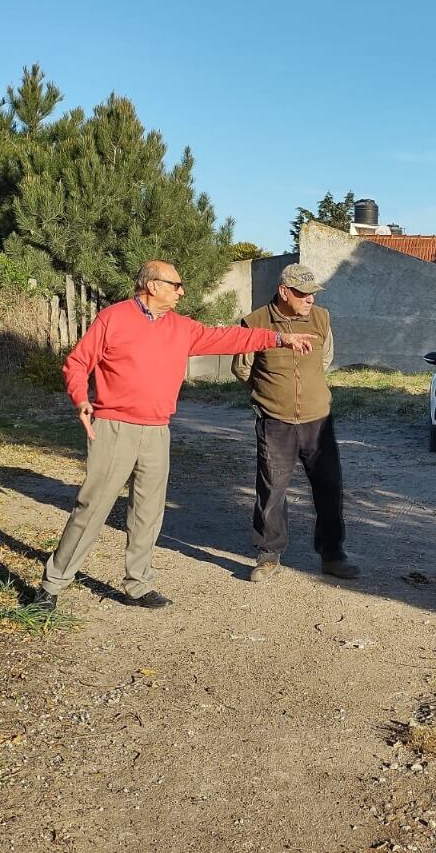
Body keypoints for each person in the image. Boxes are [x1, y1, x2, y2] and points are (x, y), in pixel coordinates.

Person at [31, 260, 318, 611]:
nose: (182, 291)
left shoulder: (180, 327)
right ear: (152, 286)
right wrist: (81, 399)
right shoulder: (113, 318)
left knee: (148, 512)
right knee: (92, 507)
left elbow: (227, 337)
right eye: (175, 284)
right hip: (114, 427)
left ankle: (137, 585)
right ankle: (52, 585)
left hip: (157, 431)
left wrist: (278, 337)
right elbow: (77, 362)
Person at [231, 264, 358, 582]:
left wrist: (309, 389)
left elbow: (325, 358)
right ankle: (268, 556)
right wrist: (269, 395)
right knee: (272, 489)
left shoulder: (321, 318)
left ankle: (332, 555)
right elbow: (242, 369)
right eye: (303, 293)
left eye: (313, 292)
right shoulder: (255, 323)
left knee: (329, 487)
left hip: (318, 419)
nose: (310, 299)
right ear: (284, 291)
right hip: (275, 420)